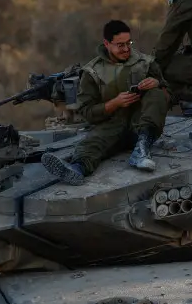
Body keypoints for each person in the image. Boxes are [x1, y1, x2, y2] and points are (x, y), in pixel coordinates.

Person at [42, 20, 169, 185]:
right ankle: (76, 170)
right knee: (90, 145)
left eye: (128, 43)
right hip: (111, 125)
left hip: (141, 124)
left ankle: (142, 149)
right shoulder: (92, 72)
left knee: (156, 94)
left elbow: (168, 96)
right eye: (120, 45)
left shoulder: (145, 63)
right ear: (107, 44)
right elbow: (87, 112)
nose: (126, 49)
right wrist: (114, 103)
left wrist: (157, 83)